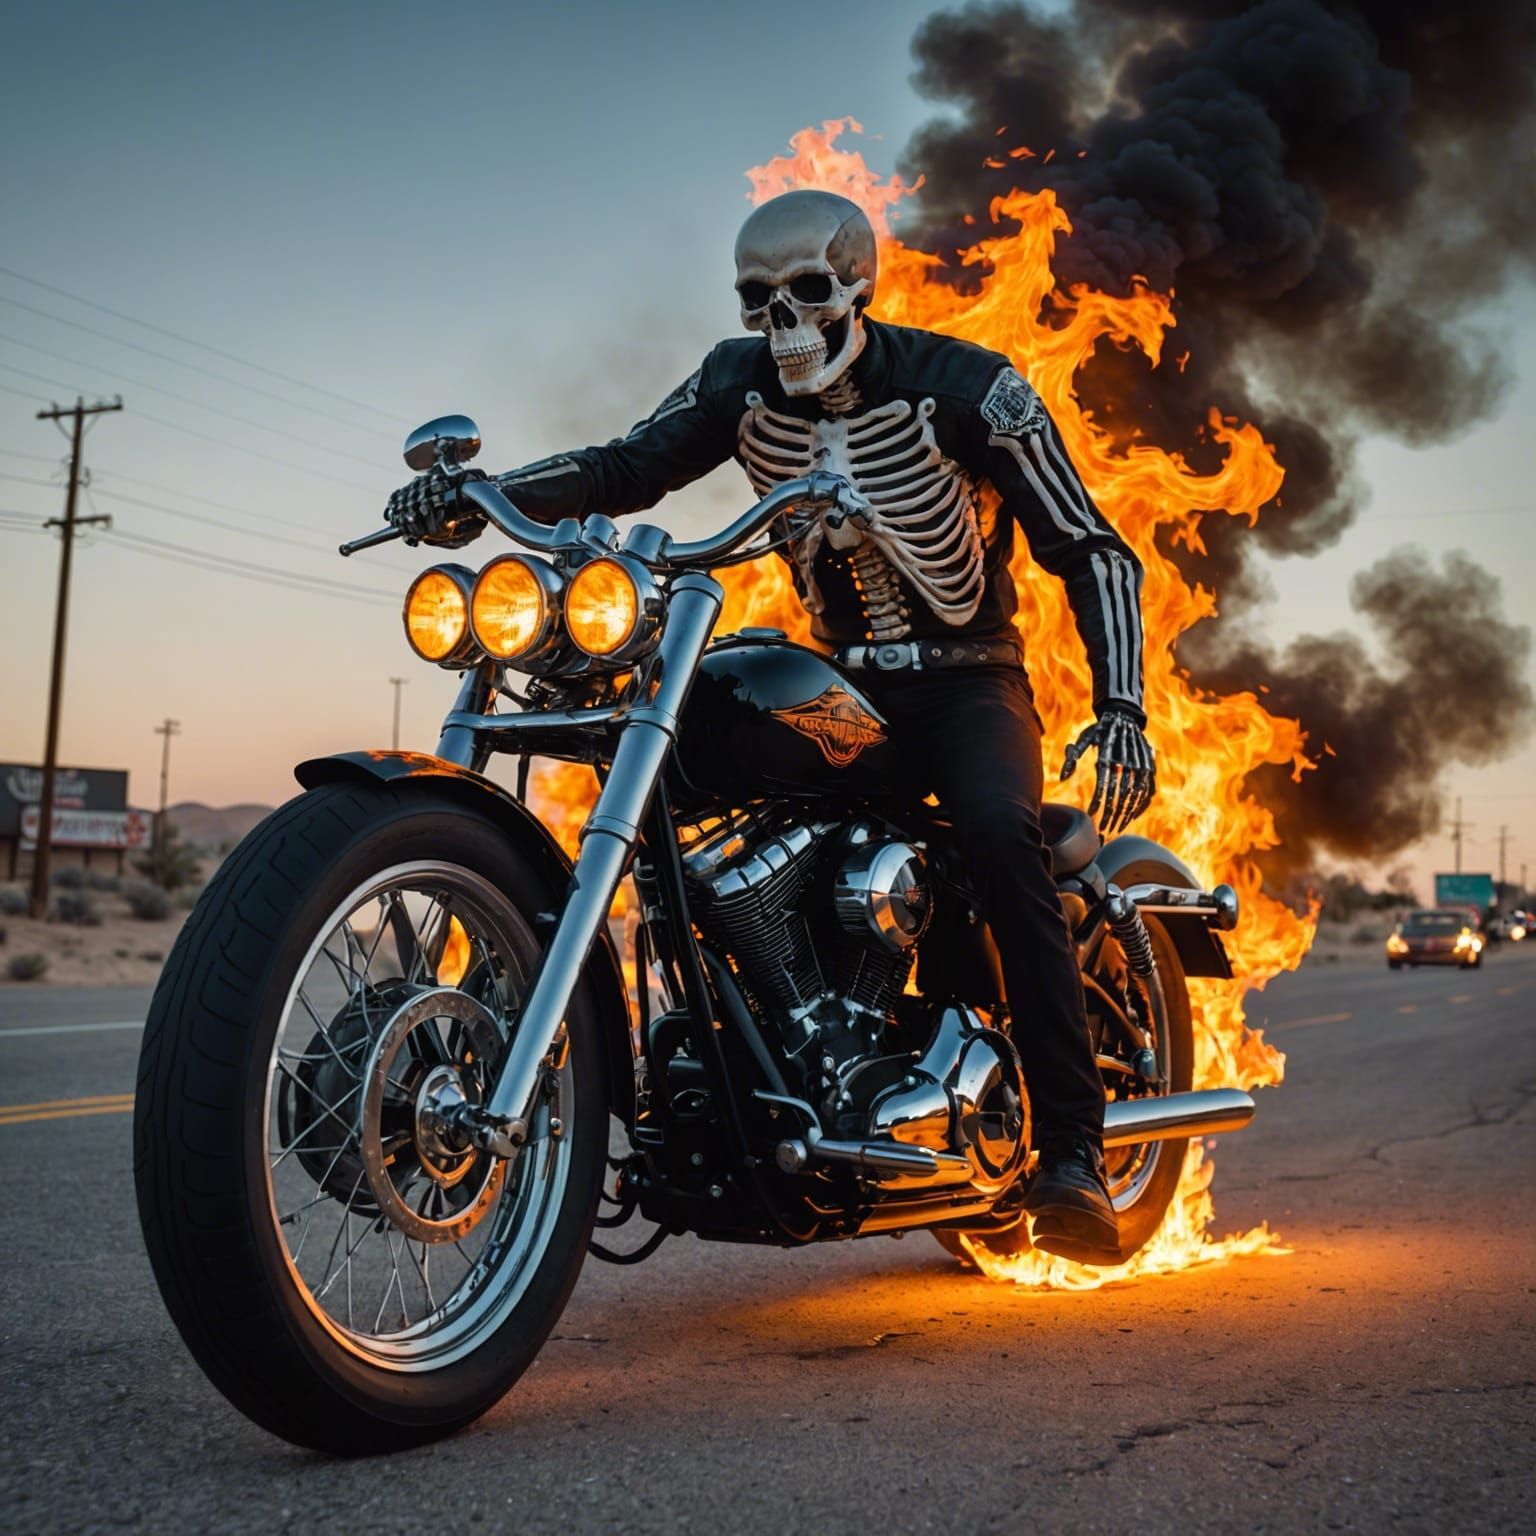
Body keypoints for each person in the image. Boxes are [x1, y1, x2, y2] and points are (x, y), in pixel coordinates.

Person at [387, 189, 1156, 1260]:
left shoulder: (973, 389)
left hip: (968, 680)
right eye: (759, 302)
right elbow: (628, 464)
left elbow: (1092, 548)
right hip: (841, 682)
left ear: (857, 290)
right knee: (686, 771)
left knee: (995, 831)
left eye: (805, 296)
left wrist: (1124, 706)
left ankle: (1072, 1152)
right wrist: (482, 496)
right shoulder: (738, 381)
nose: (780, 324)